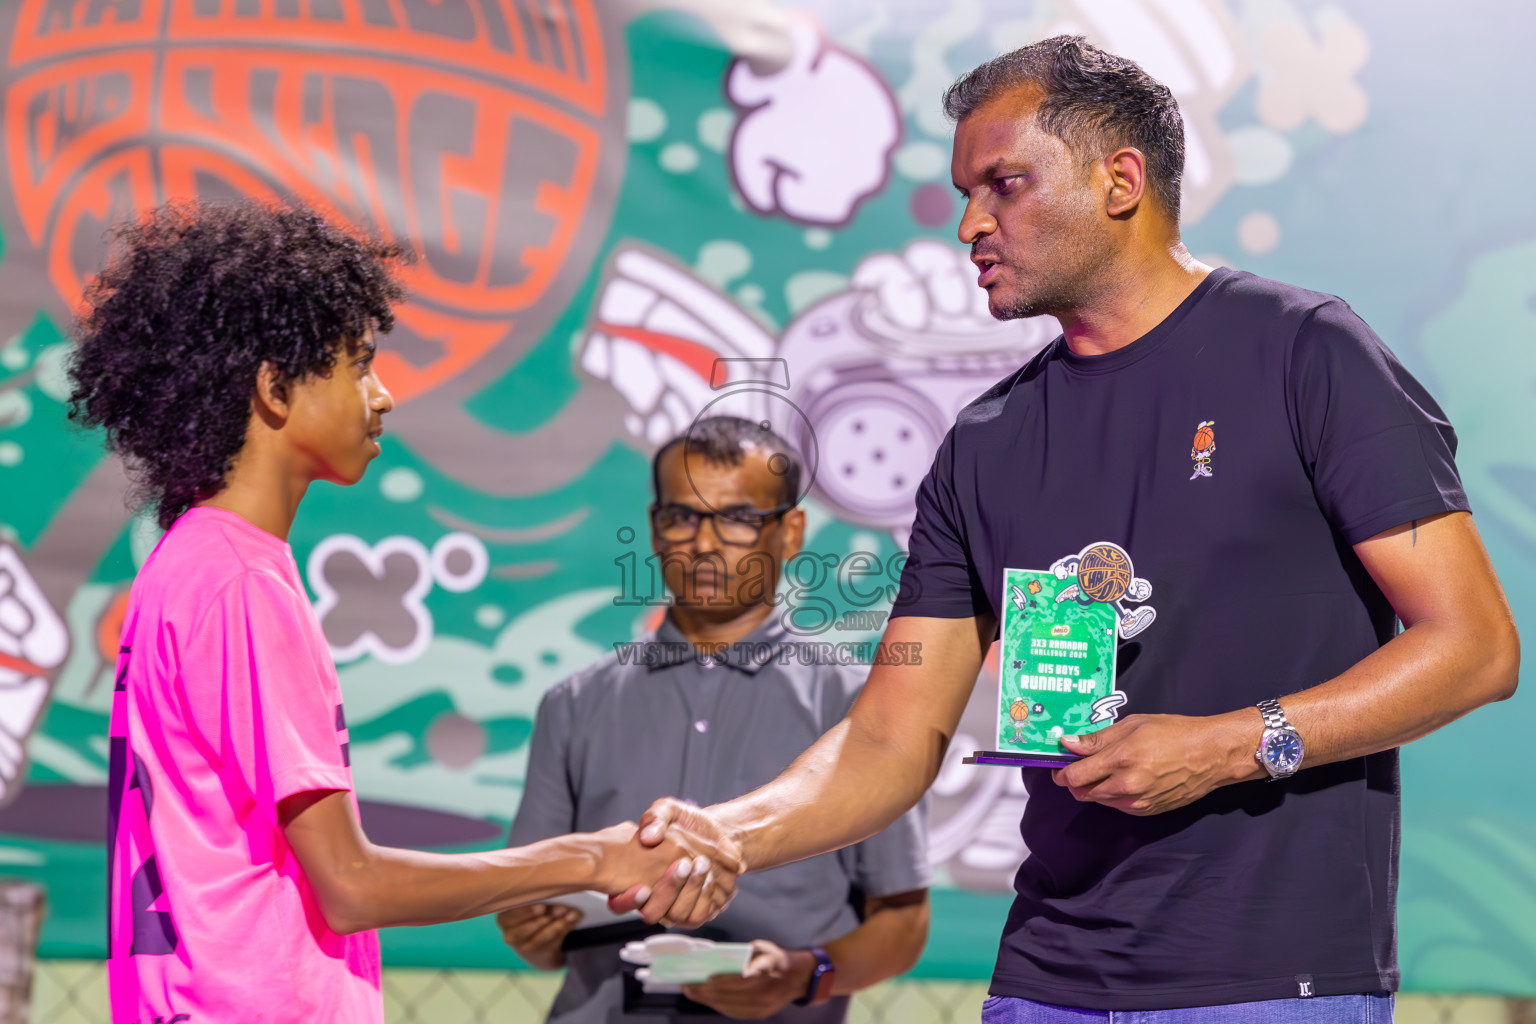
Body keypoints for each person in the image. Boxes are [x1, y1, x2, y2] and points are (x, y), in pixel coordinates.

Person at [629, 36, 1521, 1024]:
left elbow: (1474, 646)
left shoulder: (1307, 352)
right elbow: (888, 735)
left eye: (1003, 184)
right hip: (1045, 985)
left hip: (1275, 985)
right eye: (967, 191)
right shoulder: (985, 442)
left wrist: (1233, 744)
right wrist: (728, 831)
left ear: (1121, 180)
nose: (970, 223)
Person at [67, 201, 736, 1024]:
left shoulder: (186, 563)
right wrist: (590, 857)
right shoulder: (240, 584)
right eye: (358, 365)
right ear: (275, 387)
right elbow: (352, 887)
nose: (383, 396)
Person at [497, 416, 931, 1023]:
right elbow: (530, 915)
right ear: (654, 529)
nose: (703, 544)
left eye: (735, 518)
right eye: (682, 517)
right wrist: (532, 934)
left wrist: (804, 975)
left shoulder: (861, 710)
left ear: (791, 531)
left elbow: (904, 920)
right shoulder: (573, 704)